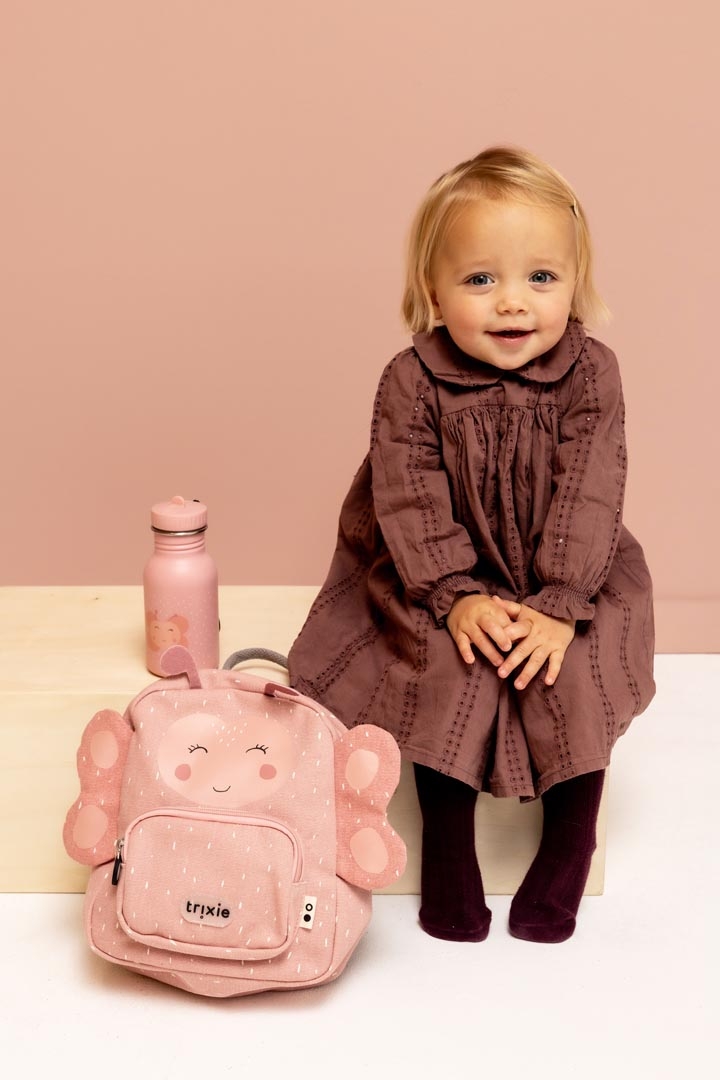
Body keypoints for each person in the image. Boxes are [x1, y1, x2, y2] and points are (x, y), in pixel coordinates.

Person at [288, 146, 655, 944]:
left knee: (573, 669)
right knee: (445, 669)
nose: (513, 303)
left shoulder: (593, 374)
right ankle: (448, 849)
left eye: (541, 278)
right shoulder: (410, 380)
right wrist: (454, 594)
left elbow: (591, 490)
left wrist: (560, 602)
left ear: (575, 284)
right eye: (481, 279)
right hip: (438, 572)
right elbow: (408, 495)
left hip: (571, 571)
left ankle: (570, 842)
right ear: (434, 293)